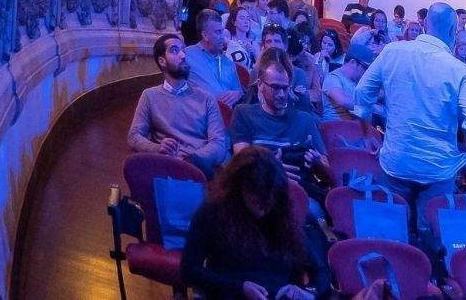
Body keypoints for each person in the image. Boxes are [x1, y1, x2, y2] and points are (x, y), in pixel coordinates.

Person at [354, 0, 466, 214]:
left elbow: (361, 93)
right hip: (438, 171)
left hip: (396, 163)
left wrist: (367, 132)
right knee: (431, 240)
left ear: (425, 25)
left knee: (393, 233)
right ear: (454, 30)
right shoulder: (459, 70)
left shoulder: (391, 52)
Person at [180, 147, 323, 299]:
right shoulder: (213, 212)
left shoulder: (281, 216)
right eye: (257, 199)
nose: (264, 206)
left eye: (269, 199)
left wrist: (309, 292)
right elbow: (189, 270)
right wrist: (239, 287)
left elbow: (319, 271)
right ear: (239, 189)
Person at [128, 32, 229, 173]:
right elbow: (134, 137)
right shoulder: (150, 96)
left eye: (183, 50)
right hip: (166, 166)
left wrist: (192, 160)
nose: (183, 55)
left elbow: (219, 144)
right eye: (175, 50)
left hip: (198, 168)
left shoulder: (206, 98)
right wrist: (157, 148)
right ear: (162, 61)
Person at [227, 58, 329, 190]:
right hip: (261, 188)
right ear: (260, 85)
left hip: (301, 190)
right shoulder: (244, 113)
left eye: (285, 88)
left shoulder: (305, 120)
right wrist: (272, 169)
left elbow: (328, 175)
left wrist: (318, 163)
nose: (281, 94)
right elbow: (241, 162)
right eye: (275, 87)